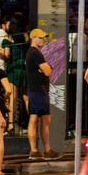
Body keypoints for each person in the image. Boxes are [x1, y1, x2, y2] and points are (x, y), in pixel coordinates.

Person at [24, 28, 58, 160]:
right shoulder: (35, 53)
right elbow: (48, 71)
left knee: (42, 119)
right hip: (38, 91)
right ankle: (39, 150)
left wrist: (46, 68)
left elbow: (46, 70)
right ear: (34, 38)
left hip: (37, 90)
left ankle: (41, 150)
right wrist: (47, 67)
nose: (43, 40)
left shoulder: (32, 53)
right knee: (37, 119)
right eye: (41, 37)